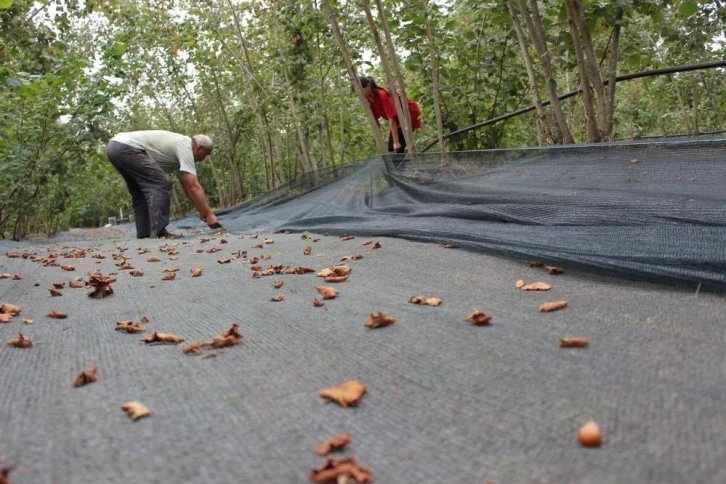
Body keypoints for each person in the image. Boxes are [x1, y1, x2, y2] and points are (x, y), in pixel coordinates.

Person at [106, 130, 220, 239]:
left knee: (141, 192)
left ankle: (144, 233)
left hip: (115, 148)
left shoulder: (179, 153)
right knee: (161, 183)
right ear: (199, 148)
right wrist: (209, 215)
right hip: (126, 147)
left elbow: (188, 187)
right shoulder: (185, 146)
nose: (203, 159)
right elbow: (194, 186)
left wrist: (202, 211)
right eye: (205, 155)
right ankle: (159, 231)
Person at [355, 75, 422, 154]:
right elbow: (375, 121)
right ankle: (404, 164)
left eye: (361, 90)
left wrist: (396, 142)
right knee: (392, 148)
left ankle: (407, 164)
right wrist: (379, 140)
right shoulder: (368, 99)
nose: (360, 94)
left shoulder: (382, 94)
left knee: (396, 147)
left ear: (368, 85)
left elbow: (391, 119)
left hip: (409, 113)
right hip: (397, 119)